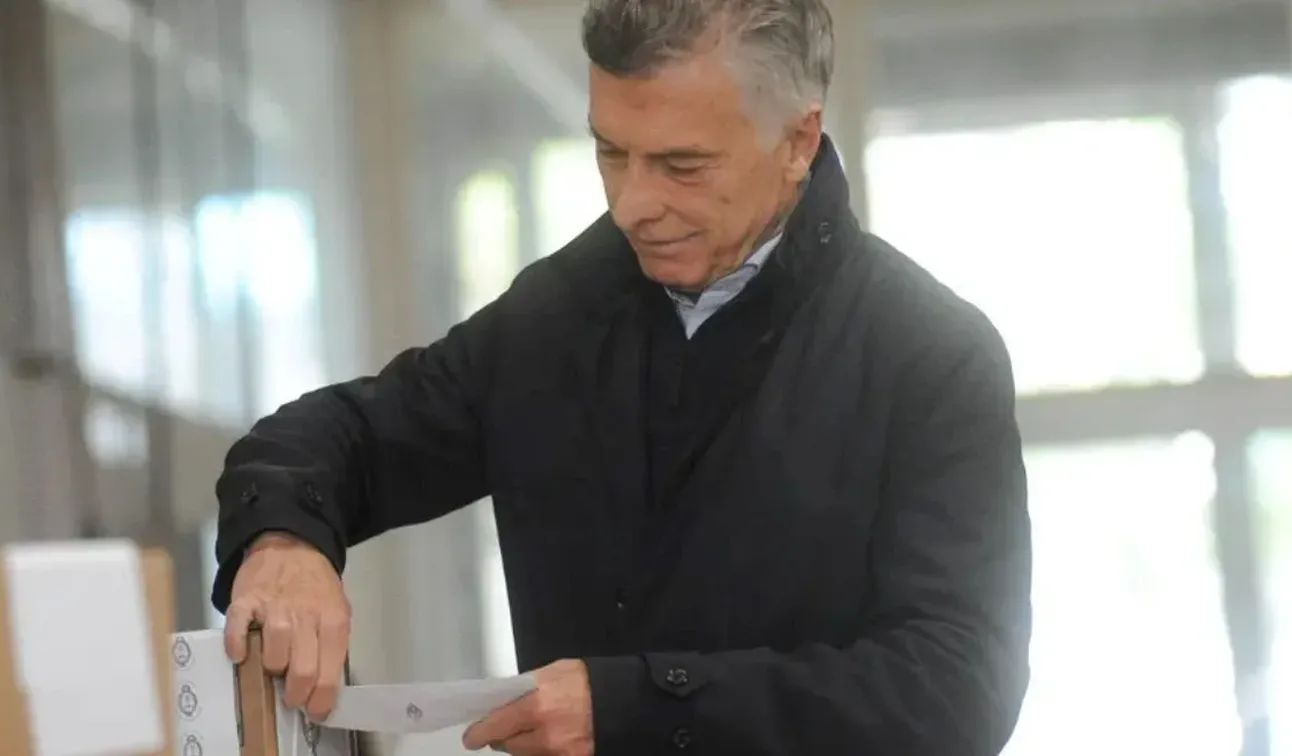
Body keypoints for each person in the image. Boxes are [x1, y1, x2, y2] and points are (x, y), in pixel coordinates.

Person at [211, 0, 1032, 753]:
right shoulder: (558, 314)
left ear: (797, 142)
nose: (633, 204)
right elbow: (346, 436)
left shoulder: (931, 355)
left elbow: (959, 689)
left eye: (681, 165)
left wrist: (640, 706)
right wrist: (284, 538)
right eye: (610, 152)